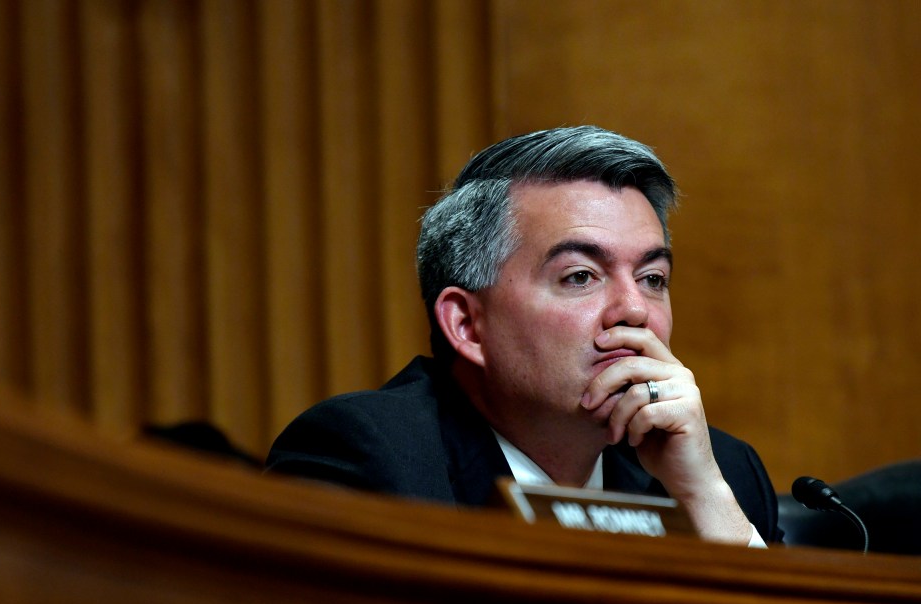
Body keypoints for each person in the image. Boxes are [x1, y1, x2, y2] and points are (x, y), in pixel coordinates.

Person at [266, 126, 781, 546]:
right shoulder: (371, 460)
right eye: (580, 276)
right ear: (467, 325)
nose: (634, 310)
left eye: (653, 279)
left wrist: (708, 500)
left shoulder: (716, 472)